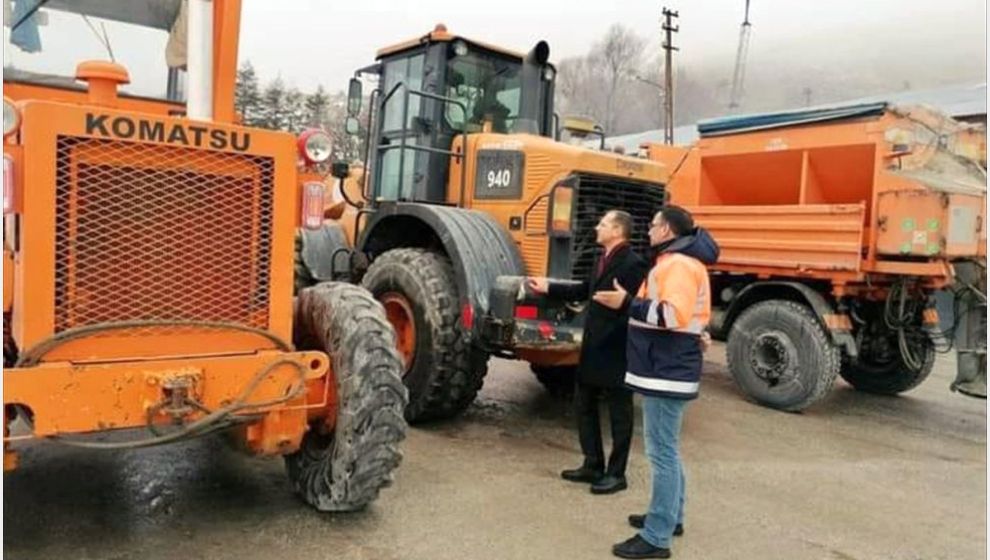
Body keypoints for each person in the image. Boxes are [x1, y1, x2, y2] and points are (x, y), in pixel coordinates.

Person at [593, 206, 719, 559]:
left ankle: (657, 537)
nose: (647, 230)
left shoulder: (677, 265)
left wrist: (628, 303)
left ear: (666, 229)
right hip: (670, 368)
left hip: (666, 371)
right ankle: (670, 517)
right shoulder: (684, 262)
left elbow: (671, 315)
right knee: (668, 449)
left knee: (661, 453)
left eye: (652, 225)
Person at [527, 210, 649, 495]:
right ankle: (592, 464)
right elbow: (585, 290)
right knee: (584, 406)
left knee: (620, 414)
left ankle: (616, 474)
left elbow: (632, 306)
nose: (597, 227)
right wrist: (549, 287)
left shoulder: (633, 264)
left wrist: (622, 307)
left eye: (603, 224)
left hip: (616, 349)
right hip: (593, 346)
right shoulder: (601, 259)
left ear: (617, 230)